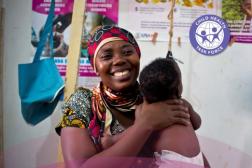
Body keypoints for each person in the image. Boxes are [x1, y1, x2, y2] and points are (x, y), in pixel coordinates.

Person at [55, 25, 191, 168]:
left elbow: (186, 150)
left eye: (127, 52)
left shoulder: (156, 96)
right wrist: (145, 125)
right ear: (95, 66)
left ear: (138, 57)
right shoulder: (82, 101)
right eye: (107, 56)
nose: (119, 60)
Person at [101, 57, 210, 167]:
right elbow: (197, 123)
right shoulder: (183, 104)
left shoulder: (142, 110)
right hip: (196, 160)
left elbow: (137, 131)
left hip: (169, 161)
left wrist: (114, 139)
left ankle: (112, 140)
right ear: (178, 87)